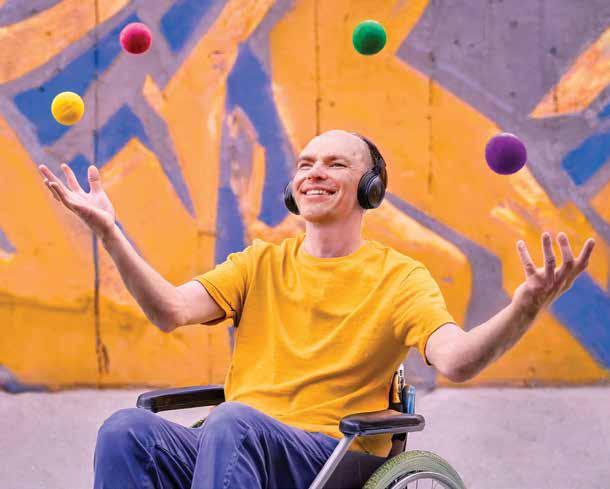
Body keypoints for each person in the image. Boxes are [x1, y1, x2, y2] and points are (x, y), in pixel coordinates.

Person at [39, 130, 595, 489]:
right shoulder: (259, 262)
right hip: (235, 445)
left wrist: (525, 307)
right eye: (305, 163)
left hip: (331, 454)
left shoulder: (400, 277)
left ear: (370, 188)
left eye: (336, 164)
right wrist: (110, 234)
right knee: (126, 430)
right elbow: (168, 311)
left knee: (233, 422)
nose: (314, 172)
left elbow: (457, 360)